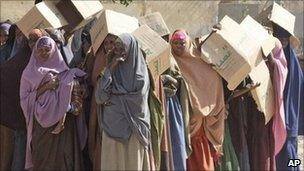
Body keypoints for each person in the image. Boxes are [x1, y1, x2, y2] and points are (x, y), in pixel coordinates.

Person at [20, 36, 87, 170]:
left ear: (54, 50)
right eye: (40, 50)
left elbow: (77, 108)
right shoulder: (28, 75)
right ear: (35, 52)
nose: (44, 53)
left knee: (64, 163)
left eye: (47, 49)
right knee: (41, 162)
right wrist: (46, 87)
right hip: (41, 129)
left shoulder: (68, 76)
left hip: (63, 130)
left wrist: (65, 108)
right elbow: (24, 100)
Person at [170, 30, 226, 170]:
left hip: (199, 124)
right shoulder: (170, 61)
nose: (179, 46)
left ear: (188, 42)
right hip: (180, 118)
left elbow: (212, 81)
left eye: (182, 43)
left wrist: (201, 104)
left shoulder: (200, 60)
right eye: (175, 43)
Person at [95, 33, 150, 170]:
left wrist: (113, 97)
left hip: (133, 128)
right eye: (116, 48)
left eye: (122, 48)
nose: (119, 52)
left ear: (131, 49)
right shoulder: (110, 69)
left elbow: (138, 101)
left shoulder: (140, 74)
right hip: (112, 126)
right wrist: (110, 68)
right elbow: (100, 97)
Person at [273, 23, 304, 171]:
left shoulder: (292, 65)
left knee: (290, 157)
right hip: (285, 121)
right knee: (287, 156)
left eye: (285, 40)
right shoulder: (283, 60)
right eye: (280, 40)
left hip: (288, 121)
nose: (283, 43)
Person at [87, 34, 117, 170]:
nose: (109, 46)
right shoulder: (99, 58)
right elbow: (94, 79)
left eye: (112, 42)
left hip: (115, 107)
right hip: (98, 104)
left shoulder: (121, 60)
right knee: (99, 136)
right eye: (106, 43)